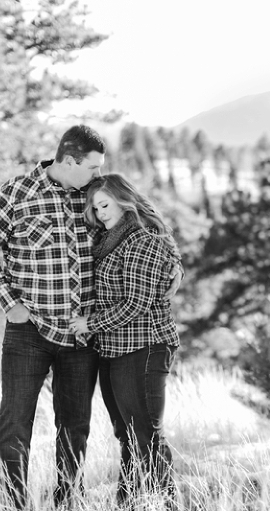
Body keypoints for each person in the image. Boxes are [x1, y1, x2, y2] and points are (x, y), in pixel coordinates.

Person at [0, 125, 182, 509]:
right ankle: (9, 503)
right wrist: (9, 302)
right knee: (14, 422)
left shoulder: (94, 195)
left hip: (82, 335)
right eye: (93, 166)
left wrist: (175, 264)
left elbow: (144, 223)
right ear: (69, 161)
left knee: (75, 426)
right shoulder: (17, 193)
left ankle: (68, 500)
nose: (99, 174)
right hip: (29, 331)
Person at [69, 173, 180, 510]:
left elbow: (135, 303)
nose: (99, 213)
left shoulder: (141, 240)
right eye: (95, 208)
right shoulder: (109, 240)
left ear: (124, 200)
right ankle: (127, 503)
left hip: (144, 346)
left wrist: (89, 323)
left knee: (145, 433)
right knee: (127, 435)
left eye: (105, 205)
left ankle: (168, 502)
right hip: (114, 349)